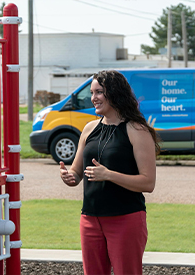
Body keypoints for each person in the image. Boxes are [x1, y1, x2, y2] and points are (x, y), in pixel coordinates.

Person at [59, 70, 159, 275]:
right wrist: (69, 177)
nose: (93, 98)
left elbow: (148, 183)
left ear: (115, 93)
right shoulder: (88, 129)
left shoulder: (137, 130)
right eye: (92, 92)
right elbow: (77, 173)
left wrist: (109, 175)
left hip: (126, 219)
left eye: (99, 92)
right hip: (89, 219)